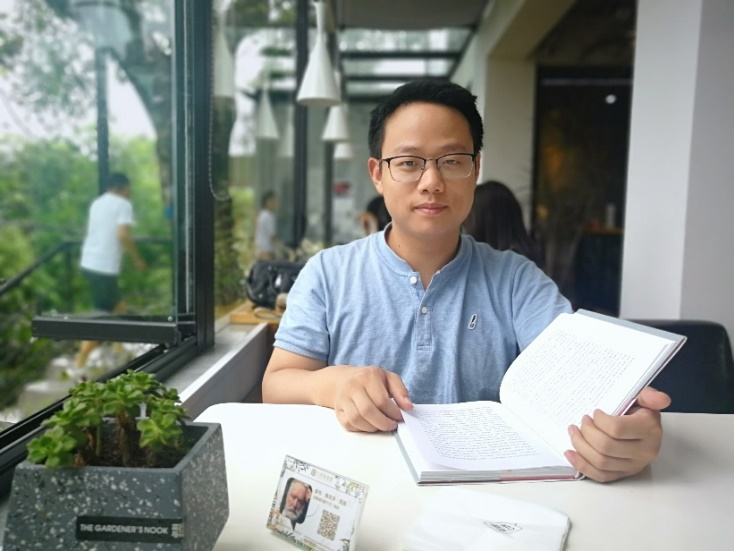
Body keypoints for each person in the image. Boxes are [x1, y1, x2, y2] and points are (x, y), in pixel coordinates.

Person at [262, 79, 670, 483]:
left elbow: (579, 375)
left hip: (489, 495)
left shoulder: (516, 281)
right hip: (360, 484)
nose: (431, 182)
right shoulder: (328, 273)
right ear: (377, 174)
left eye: (452, 160)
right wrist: (334, 384)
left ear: (475, 169)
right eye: (409, 162)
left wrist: (628, 422)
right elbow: (276, 386)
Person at [76, 172, 147, 367]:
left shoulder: (97, 203)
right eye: (129, 189)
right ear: (124, 188)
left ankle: (119, 350)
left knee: (118, 308)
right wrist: (137, 259)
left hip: (89, 262)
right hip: (104, 267)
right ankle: (80, 361)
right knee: (103, 316)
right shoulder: (123, 204)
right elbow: (123, 235)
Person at [464, 180, 544, 268]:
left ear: (488, 219)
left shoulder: (514, 264)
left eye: (470, 216)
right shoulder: (522, 254)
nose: (464, 222)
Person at [255, 191, 279, 260]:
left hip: (260, 251)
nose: (276, 204)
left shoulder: (262, 214)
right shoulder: (268, 216)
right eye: (274, 201)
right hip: (266, 253)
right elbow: (272, 237)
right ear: (268, 202)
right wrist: (282, 251)